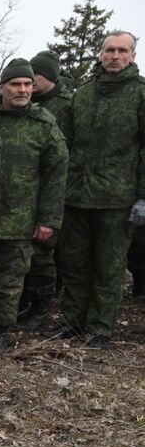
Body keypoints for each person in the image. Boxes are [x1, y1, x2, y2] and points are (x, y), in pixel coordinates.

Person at [0, 59, 68, 356]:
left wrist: (47, 219)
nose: (22, 90)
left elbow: (56, 175)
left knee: (9, 280)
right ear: (2, 86)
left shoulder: (44, 125)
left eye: (27, 84)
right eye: (15, 84)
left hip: (20, 217)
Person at [54, 31, 145, 347]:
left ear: (133, 55)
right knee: (74, 264)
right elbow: (63, 143)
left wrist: (143, 197)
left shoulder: (140, 95)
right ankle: (74, 322)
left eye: (122, 50)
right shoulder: (83, 93)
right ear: (101, 53)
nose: (115, 56)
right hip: (76, 196)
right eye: (109, 50)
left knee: (108, 268)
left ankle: (100, 328)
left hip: (116, 199)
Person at [18, 50, 73, 328]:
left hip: (52, 189)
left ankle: (42, 305)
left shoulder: (65, 106)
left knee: (42, 253)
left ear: (48, 77)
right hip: (22, 191)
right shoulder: (26, 105)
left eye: (34, 76)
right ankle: (26, 301)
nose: (28, 82)